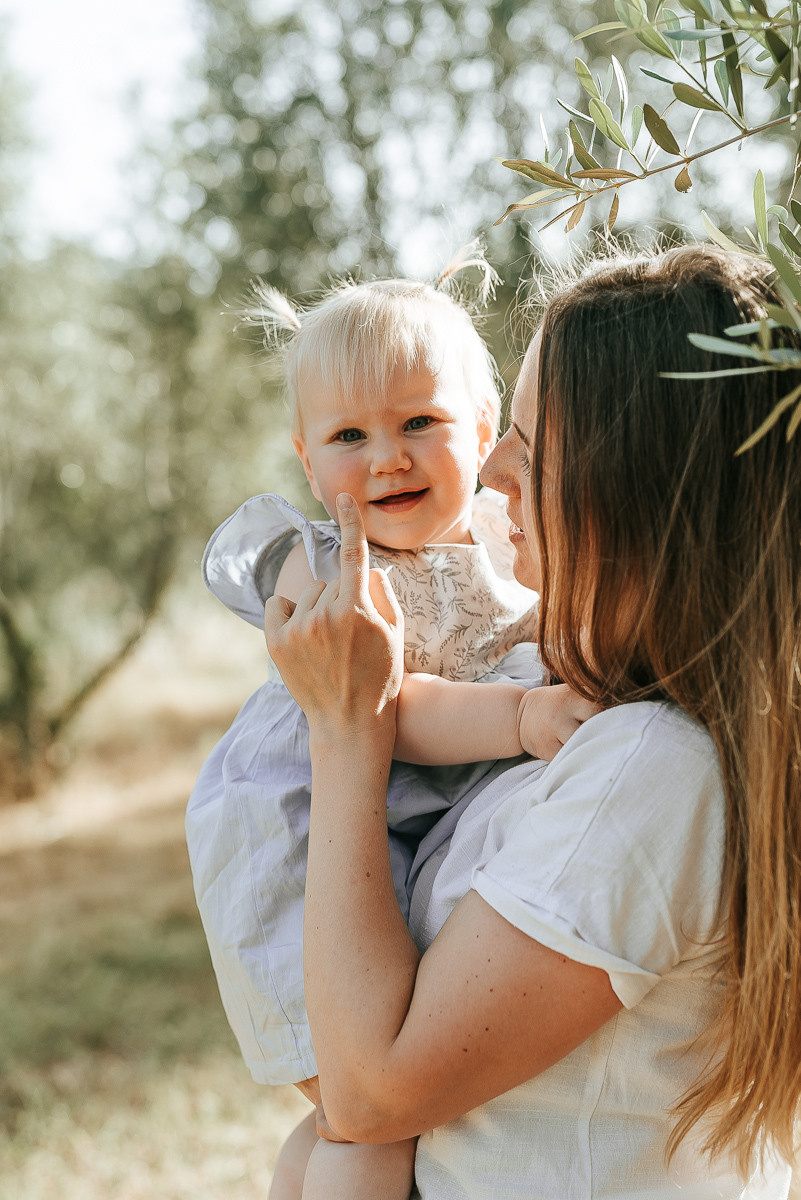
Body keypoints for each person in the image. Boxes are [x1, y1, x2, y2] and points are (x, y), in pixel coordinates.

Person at [265, 244, 801, 1197]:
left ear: (631, 483)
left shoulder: (649, 765)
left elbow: (369, 1098)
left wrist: (351, 728)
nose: (495, 472)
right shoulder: (588, 700)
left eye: (524, 438)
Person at [185, 271, 598, 1200]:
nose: (387, 460)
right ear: (305, 459)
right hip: (293, 835)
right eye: (347, 437)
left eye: (419, 424)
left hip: (388, 819)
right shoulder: (326, 566)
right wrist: (524, 715)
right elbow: (383, 708)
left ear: (487, 431)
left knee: (343, 1122)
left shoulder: (504, 537)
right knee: (372, 1126)